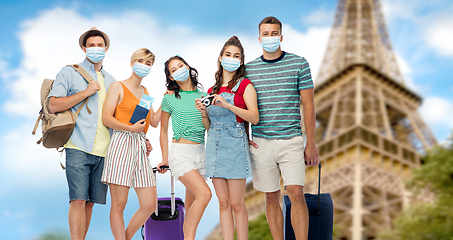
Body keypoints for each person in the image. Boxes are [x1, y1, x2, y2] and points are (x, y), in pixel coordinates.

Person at [245, 16, 320, 240]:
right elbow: (244, 106)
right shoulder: (248, 69)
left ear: (281, 36)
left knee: (296, 193)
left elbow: (308, 105)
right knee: (270, 196)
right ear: (259, 38)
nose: (270, 38)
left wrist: (311, 143)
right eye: (266, 34)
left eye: (274, 33)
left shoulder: (299, 63)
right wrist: (245, 136)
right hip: (261, 141)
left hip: (291, 139)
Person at [48, 27, 116, 240]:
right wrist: (86, 92)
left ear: (106, 48)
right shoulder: (69, 72)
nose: (96, 48)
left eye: (100, 45)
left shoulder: (112, 81)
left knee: (90, 203)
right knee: (77, 199)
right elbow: (53, 105)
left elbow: (116, 117)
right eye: (91, 45)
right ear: (84, 48)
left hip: (105, 149)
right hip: (77, 145)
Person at [195, 36, 258, 240]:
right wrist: (203, 111)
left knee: (237, 203)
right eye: (228, 55)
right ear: (220, 58)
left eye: (236, 56)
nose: (231, 58)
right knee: (223, 203)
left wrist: (228, 105)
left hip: (235, 145)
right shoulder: (211, 91)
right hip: (214, 145)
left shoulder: (245, 85)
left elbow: (254, 117)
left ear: (241, 61)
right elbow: (208, 127)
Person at [101, 48, 161, 240]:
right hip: (121, 143)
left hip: (140, 146)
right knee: (119, 204)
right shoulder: (118, 87)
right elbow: (106, 118)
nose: (144, 65)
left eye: (148, 63)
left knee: (150, 204)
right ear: (132, 62)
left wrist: (167, 99)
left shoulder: (146, 92)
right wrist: (131, 130)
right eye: (140, 61)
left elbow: (152, 122)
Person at [157, 56, 212, 240]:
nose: (179, 69)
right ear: (171, 77)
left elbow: (208, 127)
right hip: (180, 154)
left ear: (188, 67)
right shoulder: (169, 99)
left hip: (201, 153)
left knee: (191, 207)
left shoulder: (204, 97)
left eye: (181, 65)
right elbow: (163, 131)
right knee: (205, 194)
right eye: (173, 69)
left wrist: (205, 112)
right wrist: (165, 158)